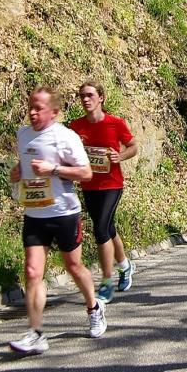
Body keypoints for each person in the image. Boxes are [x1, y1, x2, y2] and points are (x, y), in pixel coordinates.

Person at [8, 86, 107, 354]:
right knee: (32, 272)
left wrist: (53, 169)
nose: (32, 112)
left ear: (54, 112)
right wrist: (18, 172)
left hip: (64, 213)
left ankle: (93, 307)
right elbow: (24, 165)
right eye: (30, 106)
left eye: (38, 108)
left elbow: (86, 173)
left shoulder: (66, 137)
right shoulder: (23, 133)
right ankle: (36, 333)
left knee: (74, 267)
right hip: (34, 214)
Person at [70, 82, 138, 303]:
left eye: (90, 95)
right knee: (108, 228)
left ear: (101, 98)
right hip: (89, 185)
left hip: (112, 184)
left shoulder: (115, 123)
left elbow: (133, 146)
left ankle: (106, 282)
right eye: (82, 96)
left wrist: (121, 156)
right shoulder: (76, 126)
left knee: (100, 230)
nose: (86, 99)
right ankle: (125, 266)